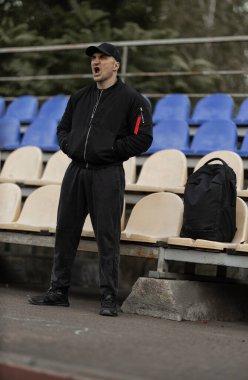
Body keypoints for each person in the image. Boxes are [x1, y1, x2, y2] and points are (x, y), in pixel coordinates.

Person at [28, 42, 153, 316]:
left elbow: (143, 138)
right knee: (65, 232)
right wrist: (70, 145)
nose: (95, 62)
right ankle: (58, 291)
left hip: (107, 174)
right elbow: (63, 128)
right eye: (93, 58)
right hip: (76, 171)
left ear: (116, 65)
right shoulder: (80, 97)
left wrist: (111, 151)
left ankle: (109, 297)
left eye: (102, 57)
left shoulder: (132, 100)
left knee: (107, 237)